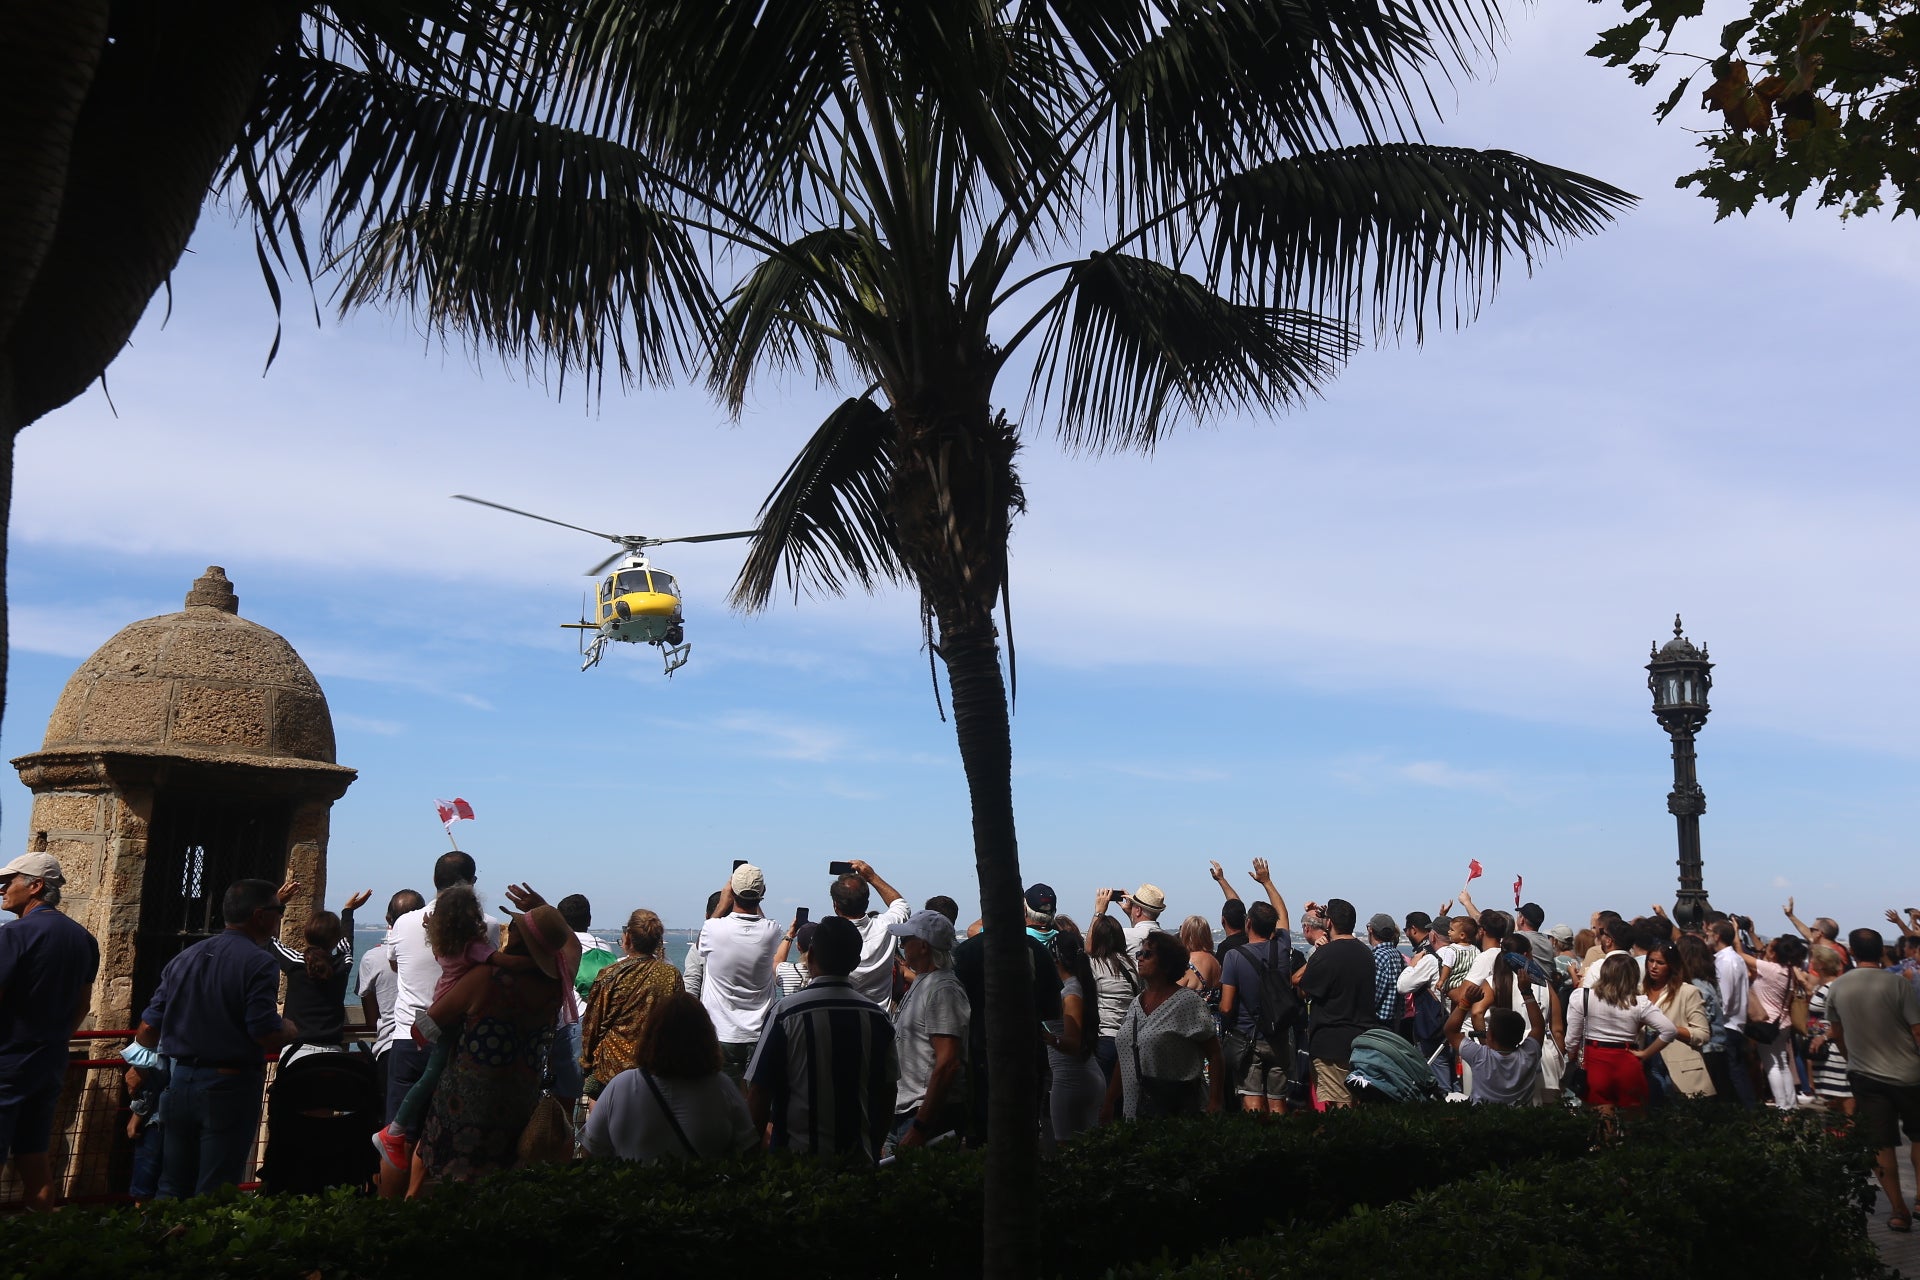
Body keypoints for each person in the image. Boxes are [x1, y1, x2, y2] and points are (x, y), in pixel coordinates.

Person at [133, 878, 294, 1198]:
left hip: (179, 1084)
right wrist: (290, 1029)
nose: (280, 917)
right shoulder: (259, 962)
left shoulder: (184, 958)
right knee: (216, 1189)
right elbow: (264, 1032)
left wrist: (137, 1065)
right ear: (260, 916)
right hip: (228, 1087)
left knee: (171, 1185)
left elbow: (148, 1028)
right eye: (279, 911)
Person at [414, 901, 571, 1188]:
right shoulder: (556, 986)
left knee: (455, 1188)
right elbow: (571, 949)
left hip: (465, 1108)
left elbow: (429, 1023)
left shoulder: (486, 977)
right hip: (519, 1107)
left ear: (518, 938)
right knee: (505, 1189)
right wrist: (545, 913)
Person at [748, 915, 896, 1159]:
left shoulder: (786, 1013)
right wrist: (873, 1149)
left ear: (812, 956)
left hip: (795, 1163)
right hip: (857, 1159)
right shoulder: (877, 1017)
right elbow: (887, 1093)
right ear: (855, 961)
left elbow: (759, 1091)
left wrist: (754, 1157)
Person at [0, 853, 100, 1212]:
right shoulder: (84, 939)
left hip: (7, 1060)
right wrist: (55, 1038)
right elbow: (82, 1005)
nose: (2, 890)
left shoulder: (13, 934)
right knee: (35, 1158)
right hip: (49, 1062)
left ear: (35, 886)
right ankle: (43, 1243)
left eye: (8, 882)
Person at [384, 850, 493, 1138]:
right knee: (451, 1134)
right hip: (460, 1039)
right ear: (472, 883)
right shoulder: (488, 926)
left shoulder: (404, 923)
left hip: (409, 1036)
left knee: (399, 1135)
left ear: (433, 880)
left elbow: (395, 965)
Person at [585, 991, 759, 1163]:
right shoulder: (721, 1086)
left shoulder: (621, 1085)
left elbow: (591, 1149)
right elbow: (749, 1148)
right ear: (706, 1037)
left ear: (651, 1036)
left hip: (634, 1188)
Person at [1825, 929, 1920, 1233]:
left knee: (1881, 1144)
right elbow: (1917, 1030)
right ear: (1882, 951)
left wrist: (1849, 1055)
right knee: (1919, 1137)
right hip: (1909, 1073)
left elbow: (1837, 1033)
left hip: (1865, 1074)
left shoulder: (1838, 987)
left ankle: (1898, 1210)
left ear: (1851, 952)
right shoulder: (1898, 984)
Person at [1103, 930, 1223, 1121]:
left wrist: (1215, 1101)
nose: (1140, 959)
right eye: (1139, 954)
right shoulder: (1136, 1003)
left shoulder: (1187, 1002)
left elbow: (1215, 1054)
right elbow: (1126, 1055)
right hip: (1134, 1111)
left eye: (1147, 954)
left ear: (1167, 963)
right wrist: (1109, 1100)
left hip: (1173, 1113)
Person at [580, 908, 684, 1104]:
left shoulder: (610, 974)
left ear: (627, 939)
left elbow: (592, 1024)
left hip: (611, 1072)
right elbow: (678, 1023)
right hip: (655, 1068)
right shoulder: (672, 975)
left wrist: (586, 1064)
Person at [887, 910, 970, 1150]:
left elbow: (948, 1062)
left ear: (923, 947)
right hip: (908, 1111)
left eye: (906, 940)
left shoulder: (944, 989)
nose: (901, 945)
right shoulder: (925, 981)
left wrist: (920, 1127)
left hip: (924, 1113)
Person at [698, 864, 783, 1082]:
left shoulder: (712, 929)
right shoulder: (772, 931)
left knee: (721, 1105)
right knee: (757, 1103)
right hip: (759, 1032)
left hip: (720, 1031)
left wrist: (723, 902)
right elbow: (764, 922)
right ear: (763, 893)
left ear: (731, 891)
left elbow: (700, 945)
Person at [270, 879, 372, 1056]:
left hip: (296, 1051)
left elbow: (269, 940)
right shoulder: (342, 964)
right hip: (332, 1051)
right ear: (335, 939)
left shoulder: (295, 962)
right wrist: (348, 912)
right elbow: (346, 943)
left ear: (306, 934)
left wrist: (277, 905)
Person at [1564, 953, 1677, 1114]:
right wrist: (1645, 1054)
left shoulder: (1583, 997)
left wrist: (1572, 1054)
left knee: (1602, 1120)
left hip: (1595, 1060)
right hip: (1627, 1060)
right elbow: (1669, 1030)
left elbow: (1572, 1037)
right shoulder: (1639, 1003)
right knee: (1633, 1122)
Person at [1219, 881, 1294, 1113]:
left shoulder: (1233, 956)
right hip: (1279, 1036)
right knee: (1278, 1099)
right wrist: (1267, 881)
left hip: (1248, 1036)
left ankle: (1256, 1144)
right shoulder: (1281, 948)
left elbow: (1226, 1006)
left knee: (1251, 1099)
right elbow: (1282, 913)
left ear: (1248, 923)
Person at [1295, 898, 1376, 1109]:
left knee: (1339, 1103)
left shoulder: (1326, 955)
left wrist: (1315, 956)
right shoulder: (1366, 953)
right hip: (1361, 1039)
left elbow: (1303, 989)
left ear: (1329, 923)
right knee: (1356, 1101)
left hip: (1330, 1041)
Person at [359, 890, 423, 1103]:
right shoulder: (438, 955)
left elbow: (371, 1018)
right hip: (430, 1048)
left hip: (390, 1049)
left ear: (388, 919)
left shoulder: (372, 958)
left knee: (392, 1125)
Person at [1732, 930, 1807, 1110]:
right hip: (1783, 1023)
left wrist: (1735, 932)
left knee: (1771, 1064)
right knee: (1782, 1063)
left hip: (1766, 1023)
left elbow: (1740, 955)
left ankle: (1782, 1106)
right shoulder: (1789, 972)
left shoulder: (1771, 969)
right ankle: (1791, 1105)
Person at [1441, 973, 1544, 1105]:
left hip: (1483, 1119)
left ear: (1490, 1037)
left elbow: (1450, 1031)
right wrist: (1526, 991)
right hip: (1521, 1121)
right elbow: (1538, 1027)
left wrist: (1466, 1001)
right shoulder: (1529, 1055)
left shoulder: (1480, 1056)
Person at [1043, 927, 1105, 1140]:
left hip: (1070, 1079)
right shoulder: (1079, 985)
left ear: (1055, 959)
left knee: (1067, 1150)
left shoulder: (1070, 993)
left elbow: (1073, 1043)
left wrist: (1047, 1037)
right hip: (1087, 1075)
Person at [831, 859, 911, 1005]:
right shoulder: (886, 927)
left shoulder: (829, 937)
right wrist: (872, 877)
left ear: (835, 906)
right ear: (867, 904)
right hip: (880, 1022)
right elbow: (901, 905)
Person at [1644, 940, 1715, 1099]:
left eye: (1660, 962)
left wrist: (1671, 1029)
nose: (1653, 966)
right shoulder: (1640, 991)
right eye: (1651, 960)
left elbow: (1702, 1034)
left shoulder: (1687, 992)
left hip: (1679, 1067)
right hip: (1647, 1064)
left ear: (1671, 965)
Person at [1676, 931, 1736, 1102]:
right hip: (1717, 1049)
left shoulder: (1696, 987)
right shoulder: (1709, 982)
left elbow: (1701, 1022)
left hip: (1707, 1051)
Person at [1707, 919, 1756, 1107]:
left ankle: (1747, 1112)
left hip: (1728, 1025)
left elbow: (1724, 1001)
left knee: (1734, 1074)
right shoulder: (1732, 959)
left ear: (1717, 936)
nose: (1708, 936)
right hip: (1734, 1023)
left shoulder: (1726, 962)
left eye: (1710, 932)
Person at [1087, 914, 1139, 1081]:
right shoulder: (1133, 966)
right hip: (1130, 1039)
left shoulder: (1093, 965)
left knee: (1103, 1096)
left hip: (1104, 1037)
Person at [1805, 946, 1853, 1116]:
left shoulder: (1833, 987)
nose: (1811, 963)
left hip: (1834, 1048)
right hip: (1824, 1049)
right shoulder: (1823, 986)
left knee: (1843, 1092)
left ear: (1822, 964)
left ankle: (1850, 1129)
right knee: (1835, 1095)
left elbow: (1843, 1019)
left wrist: (1824, 1037)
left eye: (1814, 960)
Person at [1366, 914, 1407, 1028]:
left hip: (1378, 1023)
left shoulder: (1378, 957)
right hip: (1396, 1022)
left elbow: (1373, 996)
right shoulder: (1398, 955)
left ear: (1371, 930)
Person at [1098, 884, 1167, 951]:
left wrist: (1099, 912)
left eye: (1133, 905)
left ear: (1138, 910)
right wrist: (1131, 915)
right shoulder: (1166, 938)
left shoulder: (1124, 936)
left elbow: (1092, 947)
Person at [1177, 916, 1222, 1004]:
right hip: (1213, 1016)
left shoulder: (1188, 962)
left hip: (1191, 1016)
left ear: (1186, 935)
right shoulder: (1215, 962)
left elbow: (1170, 996)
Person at [1209, 861, 1248, 961]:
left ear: (1223, 920)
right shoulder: (1254, 942)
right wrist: (1221, 879)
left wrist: (1221, 879)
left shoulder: (1225, 949)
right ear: (1246, 920)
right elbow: (1237, 907)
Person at [773, 920, 816, 998]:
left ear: (798, 947)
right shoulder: (831, 974)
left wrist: (789, 935)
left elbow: (776, 962)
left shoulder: (786, 971)